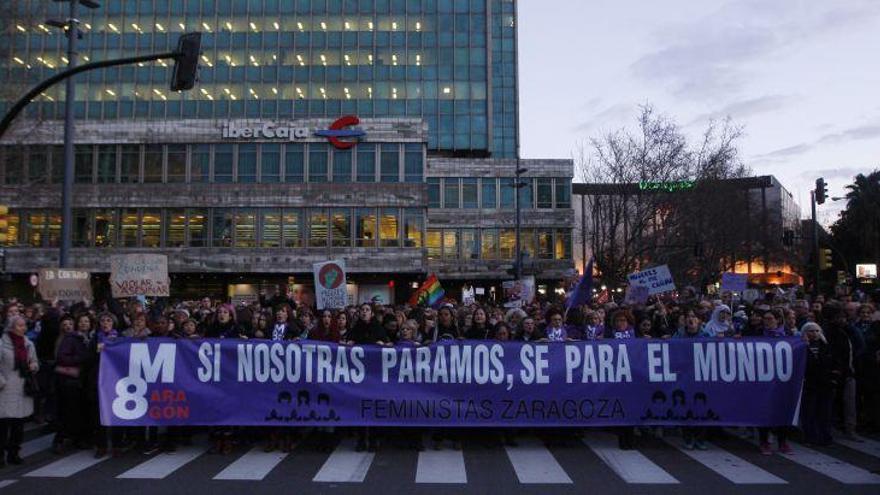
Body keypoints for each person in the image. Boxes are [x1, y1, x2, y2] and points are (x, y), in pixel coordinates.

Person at [346, 304, 387, 452]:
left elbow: (386, 342)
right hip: (360, 375)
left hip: (375, 374)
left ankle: (374, 439)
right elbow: (349, 342)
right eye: (362, 310)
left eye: (367, 310)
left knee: (374, 406)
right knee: (360, 407)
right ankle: (362, 439)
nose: (364, 312)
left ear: (371, 313)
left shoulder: (378, 327)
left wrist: (382, 344)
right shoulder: (356, 328)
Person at [0, 316, 39, 466]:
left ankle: (14, 452)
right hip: (5, 388)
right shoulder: (2, 344)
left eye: (24, 326)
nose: (23, 328)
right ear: (11, 327)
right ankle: (1, 455)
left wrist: (34, 366)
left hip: (23, 387)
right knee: (3, 423)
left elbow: (34, 360)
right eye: (19, 326)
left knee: (18, 423)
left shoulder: (28, 344)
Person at [52, 313, 92, 454]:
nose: (84, 324)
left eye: (86, 321)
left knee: (80, 412)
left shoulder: (90, 338)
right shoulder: (71, 338)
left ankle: (78, 439)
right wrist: (81, 358)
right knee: (68, 411)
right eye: (81, 321)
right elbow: (62, 357)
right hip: (71, 381)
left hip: (84, 381)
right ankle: (60, 440)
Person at [672, 310, 709, 450]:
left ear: (699, 320)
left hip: (702, 376)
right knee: (685, 405)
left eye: (694, 316)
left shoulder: (707, 335)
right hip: (684, 376)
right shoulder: (678, 335)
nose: (691, 319)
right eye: (688, 316)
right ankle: (687, 436)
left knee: (701, 406)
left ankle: (700, 438)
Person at [758, 310, 792, 454]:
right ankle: (764, 442)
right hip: (762, 380)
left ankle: (783, 441)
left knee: (782, 410)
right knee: (763, 412)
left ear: (778, 320)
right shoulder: (757, 335)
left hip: (781, 381)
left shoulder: (789, 336)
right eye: (765, 319)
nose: (767, 321)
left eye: (770, 319)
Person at [801, 322, 834, 446]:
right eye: (811, 331)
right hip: (809, 383)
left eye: (816, 331)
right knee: (809, 412)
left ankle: (825, 437)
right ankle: (810, 437)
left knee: (825, 412)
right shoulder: (802, 347)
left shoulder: (826, 346)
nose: (814, 333)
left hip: (825, 384)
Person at [608, 309, 636, 449]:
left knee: (631, 406)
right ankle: (621, 438)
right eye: (618, 321)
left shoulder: (635, 334)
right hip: (616, 376)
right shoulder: (609, 334)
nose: (620, 323)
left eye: (623, 320)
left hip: (633, 376)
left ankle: (630, 437)